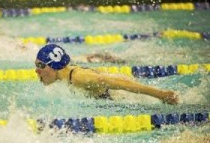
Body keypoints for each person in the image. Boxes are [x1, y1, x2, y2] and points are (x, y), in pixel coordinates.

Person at [34, 44, 179, 104]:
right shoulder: (66, 75)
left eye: (40, 65)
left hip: (125, 97)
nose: (36, 70)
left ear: (54, 65)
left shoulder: (79, 77)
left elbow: (117, 83)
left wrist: (161, 95)